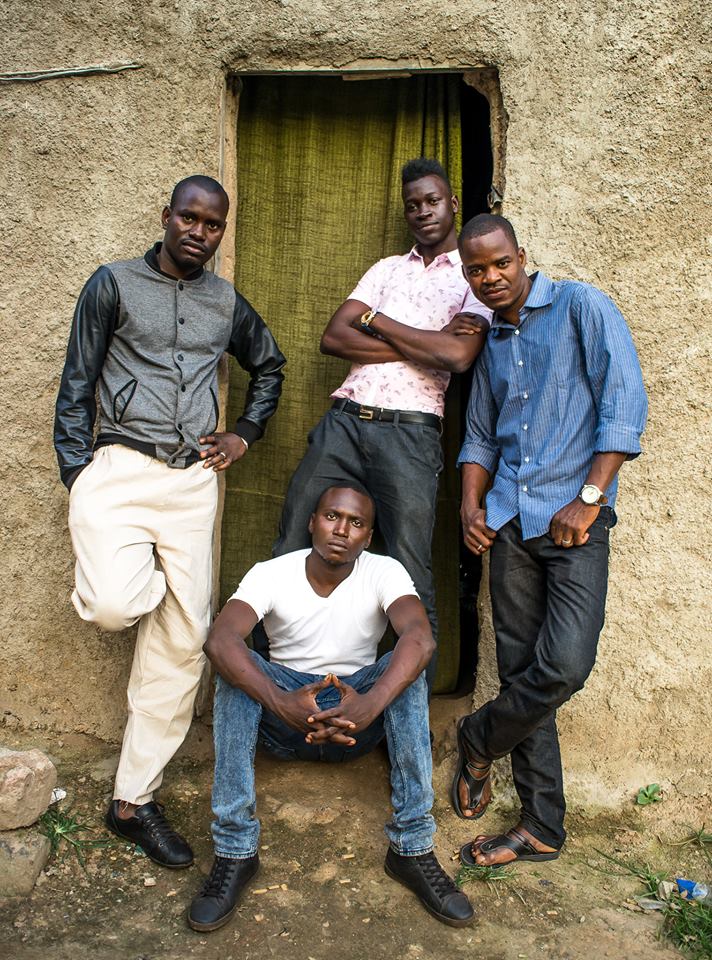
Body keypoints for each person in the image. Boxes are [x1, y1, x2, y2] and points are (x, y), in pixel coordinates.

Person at [53, 175, 286, 868]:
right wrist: (79, 474)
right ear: (167, 217)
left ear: (221, 231)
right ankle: (152, 590)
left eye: (213, 224)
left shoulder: (226, 301)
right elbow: (75, 383)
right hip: (119, 470)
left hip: (193, 483)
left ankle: (133, 801)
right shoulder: (112, 285)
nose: (199, 231)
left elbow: (268, 365)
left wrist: (243, 431)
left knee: (185, 646)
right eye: (189, 217)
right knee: (111, 605)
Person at [451, 214, 648, 866]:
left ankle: (478, 737)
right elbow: (479, 435)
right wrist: (471, 504)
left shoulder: (581, 306)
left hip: (577, 527)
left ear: (520, 257)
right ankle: (540, 825)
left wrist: (588, 498)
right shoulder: (494, 344)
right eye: (477, 270)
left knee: (563, 665)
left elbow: (624, 403)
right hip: (509, 525)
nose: (491, 277)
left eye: (499, 263)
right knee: (521, 669)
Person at [188, 483, 474, 932]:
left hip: (358, 712)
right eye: (332, 516)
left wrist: (369, 704)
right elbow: (220, 640)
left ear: (369, 535)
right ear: (312, 522)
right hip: (285, 717)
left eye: (356, 523)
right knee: (236, 668)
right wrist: (281, 702)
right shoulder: (271, 572)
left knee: (408, 663)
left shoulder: (385, 571)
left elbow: (420, 638)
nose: (342, 529)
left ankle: (412, 848)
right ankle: (235, 852)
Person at [267, 158, 492, 687]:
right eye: (413, 205)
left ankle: (409, 721)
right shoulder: (387, 268)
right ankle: (277, 695)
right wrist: (424, 342)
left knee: (410, 577)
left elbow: (458, 359)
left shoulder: (473, 274)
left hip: (410, 433)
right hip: (343, 422)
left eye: (432, 201)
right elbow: (334, 338)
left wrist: (378, 322)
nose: (423, 212)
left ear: (453, 204)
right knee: (289, 552)